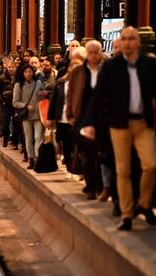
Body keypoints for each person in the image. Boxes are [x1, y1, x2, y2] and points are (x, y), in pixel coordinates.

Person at [82, 27, 156, 230]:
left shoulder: (149, 65)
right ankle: (126, 214)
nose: (128, 42)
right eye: (124, 39)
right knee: (122, 170)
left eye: (132, 38)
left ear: (138, 42)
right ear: (120, 43)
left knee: (151, 165)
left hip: (143, 123)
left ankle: (144, 204)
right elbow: (97, 97)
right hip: (119, 124)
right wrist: (89, 122)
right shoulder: (112, 67)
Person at [67, 40, 104, 200]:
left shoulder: (107, 68)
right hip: (83, 116)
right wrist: (70, 115)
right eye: (91, 52)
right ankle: (91, 186)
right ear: (86, 54)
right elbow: (71, 95)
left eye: (97, 52)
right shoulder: (77, 72)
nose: (94, 55)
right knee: (87, 153)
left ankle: (101, 185)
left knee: (102, 153)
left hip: (103, 117)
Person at [13, 64, 44, 169]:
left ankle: (38, 158)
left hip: (38, 114)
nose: (28, 74)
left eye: (30, 71)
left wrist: (44, 94)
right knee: (29, 138)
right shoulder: (18, 85)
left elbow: (44, 96)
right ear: (22, 73)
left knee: (38, 137)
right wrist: (25, 105)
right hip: (26, 115)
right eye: (26, 72)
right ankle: (31, 158)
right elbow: (15, 102)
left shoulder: (38, 83)